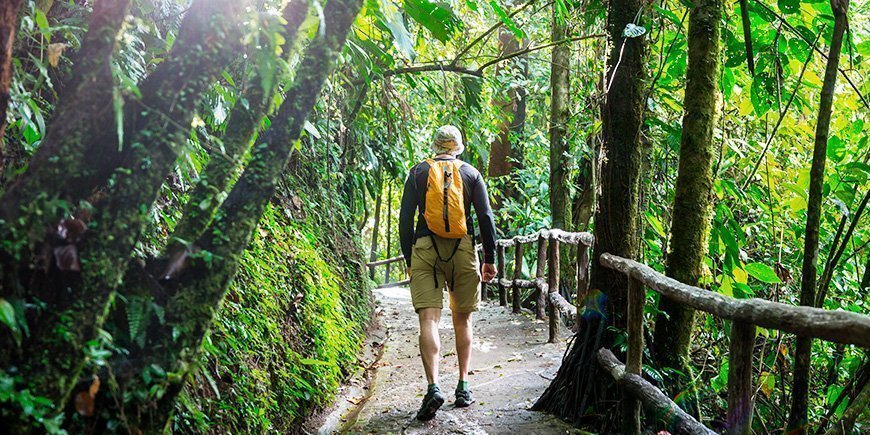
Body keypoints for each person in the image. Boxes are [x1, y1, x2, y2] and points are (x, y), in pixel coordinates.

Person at [398, 125, 498, 421]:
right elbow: (485, 217)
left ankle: (433, 387)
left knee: (428, 319)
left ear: (435, 146)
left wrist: (409, 257)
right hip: (463, 248)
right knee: (462, 318)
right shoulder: (471, 174)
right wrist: (489, 258)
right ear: (458, 147)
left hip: (425, 247)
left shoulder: (417, 172)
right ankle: (464, 386)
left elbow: (405, 220)